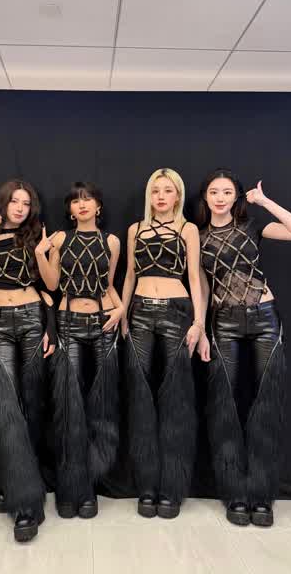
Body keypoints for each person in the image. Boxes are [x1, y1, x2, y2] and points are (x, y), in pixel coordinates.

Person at [196, 168, 291, 527]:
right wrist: (202, 331)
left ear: (236, 197)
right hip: (223, 322)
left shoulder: (251, 227)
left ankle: (261, 495)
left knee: (265, 405)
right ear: (205, 197)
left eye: (227, 192)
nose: (220, 198)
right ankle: (234, 492)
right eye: (214, 192)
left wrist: (264, 201)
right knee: (226, 406)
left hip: (264, 317)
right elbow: (201, 287)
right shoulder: (197, 237)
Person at [0, 179, 56, 542]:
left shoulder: (36, 235)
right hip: (0, 324)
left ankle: (26, 489)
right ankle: (12, 482)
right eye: (14, 202)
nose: (20, 208)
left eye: (26, 203)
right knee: (5, 406)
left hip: (33, 317)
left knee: (32, 403)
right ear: (2, 203)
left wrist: (51, 327)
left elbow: (51, 286)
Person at [35, 182, 123, 518]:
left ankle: (89, 486)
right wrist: (41, 253)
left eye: (88, 199)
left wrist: (120, 309)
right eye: (75, 201)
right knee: (69, 406)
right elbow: (52, 284)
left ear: (98, 206)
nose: (82, 204)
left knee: (100, 404)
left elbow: (108, 285)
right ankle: (69, 486)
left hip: (103, 322)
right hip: (69, 321)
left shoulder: (111, 241)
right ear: (70, 210)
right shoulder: (60, 238)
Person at [121, 168, 203, 518]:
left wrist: (199, 323)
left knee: (175, 398)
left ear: (178, 195)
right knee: (141, 396)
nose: (161, 197)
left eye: (168, 191)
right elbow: (129, 275)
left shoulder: (188, 229)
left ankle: (172, 487)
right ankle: (146, 485)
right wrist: (123, 313)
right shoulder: (135, 230)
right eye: (155, 191)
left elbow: (195, 277)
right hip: (139, 311)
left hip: (176, 310)